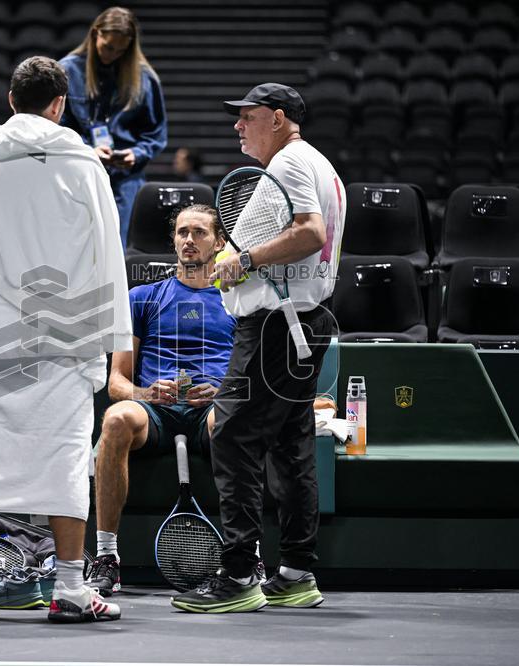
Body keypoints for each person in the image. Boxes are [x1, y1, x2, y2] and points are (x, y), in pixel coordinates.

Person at [0, 56, 133, 623]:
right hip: (63, 328)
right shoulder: (84, 167)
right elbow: (108, 255)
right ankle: (69, 589)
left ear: (12, 99)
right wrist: (108, 335)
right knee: (62, 457)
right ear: (59, 105)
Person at [171, 83, 347, 613]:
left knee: (230, 434)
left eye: (246, 117)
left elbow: (310, 233)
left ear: (276, 118)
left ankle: (238, 575)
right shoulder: (316, 163)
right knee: (291, 448)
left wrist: (243, 262)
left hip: (276, 328)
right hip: (300, 323)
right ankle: (294, 572)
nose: (237, 126)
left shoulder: (290, 163)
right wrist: (238, 258)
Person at [86, 204, 236, 596]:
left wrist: (223, 392)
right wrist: (144, 393)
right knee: (116, 418)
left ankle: (243, 555)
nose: (189, 240)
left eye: (200, 232)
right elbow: (116, 382)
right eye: (182, 232)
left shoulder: (238, 302)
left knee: (230, 421)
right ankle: (106, 558)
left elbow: (249, 377)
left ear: (219, 242)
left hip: (211, 409)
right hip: (155, 410)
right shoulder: (143, 298)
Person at [60, 6, 167, 247]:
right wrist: (86, 149)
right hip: (80, 172)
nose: (113, 55)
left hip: (125, 178)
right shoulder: (67, 71)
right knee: (76, 247)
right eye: (108, 47)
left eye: (121, 50)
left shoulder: (144, 77)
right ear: (95, 33)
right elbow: (57, 127)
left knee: (119, 248)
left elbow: (156, 134)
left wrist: (136, 154)